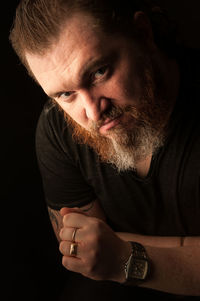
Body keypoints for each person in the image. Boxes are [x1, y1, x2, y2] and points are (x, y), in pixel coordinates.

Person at [9, 0, 200, 299]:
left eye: (99, 72)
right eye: (66, 94)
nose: (93, 112)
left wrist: (124, 257)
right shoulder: (57, 130)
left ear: (143, 33)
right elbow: (86, 256)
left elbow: (106, 254)